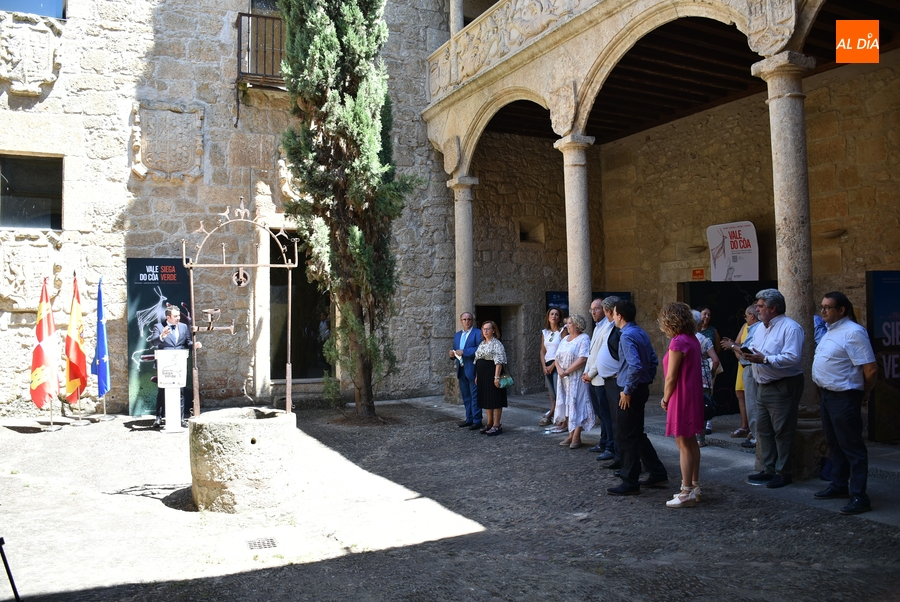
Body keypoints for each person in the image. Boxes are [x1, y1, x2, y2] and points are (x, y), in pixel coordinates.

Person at [812, 292, 877, 515]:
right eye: (822, 307)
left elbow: (870, 369)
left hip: (845, 396)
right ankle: (839, 484)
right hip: (828, 396)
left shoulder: (853, 333)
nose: (823, 311)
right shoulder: (832, 331)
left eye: (828, 308)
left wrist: (864, 392)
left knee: (852, 446)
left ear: (841, 310)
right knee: (834, 442)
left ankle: (860, 495)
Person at [741, 289, 804, 489]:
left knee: (782, 431)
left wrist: (765, 359)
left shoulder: (790, 328)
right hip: (763, 384)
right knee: (764, 429)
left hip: (782, 385)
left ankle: (783, 472)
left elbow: (793, 357)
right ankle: (768, 469)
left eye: (760, 306)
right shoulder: (760, 328)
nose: (757, 310)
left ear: (773, 308)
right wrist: (750, 355)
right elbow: (757, 349)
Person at [606, 299, 668, 496]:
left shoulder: (626, 336)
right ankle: (657, 471)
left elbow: (635, 366)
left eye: (614, 314)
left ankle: (630, 480)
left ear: (620, 316)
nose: (613, 317)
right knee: (637, 433)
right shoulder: (640, 332)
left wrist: (628, 389)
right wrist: (644, 380)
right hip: (639, 387)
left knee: (625, 435)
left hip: (630, 391)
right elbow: (652, 360)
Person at [658, 302, 704, 508]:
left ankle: (686, 491)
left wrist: (666, 398)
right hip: (692, 394)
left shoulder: (677, 342)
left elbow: (671, 377)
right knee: (691, 442)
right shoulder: (692, 339)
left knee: (683, 444)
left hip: (681, 396)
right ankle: (694, 486)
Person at [151, 305, 201, 428]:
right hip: (165, 365)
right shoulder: (159, 327)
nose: (178, 318)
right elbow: (154, 342)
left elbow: (187, 342)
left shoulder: (184, 327)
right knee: (162, 391)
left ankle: (181, 418)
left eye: (178, 315)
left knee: (181, 391)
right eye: (175, 316)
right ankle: (158, 417)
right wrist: (162, 336)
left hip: (179, 364)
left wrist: (194, 345)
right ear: (168, 317)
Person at [722, 305, 761, 447]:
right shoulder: (751, 327)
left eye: (745, 316)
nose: (745, 318)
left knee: (753, 403)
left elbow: (748, 349)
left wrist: (732, 346)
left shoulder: (758, 328)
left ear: (752, 316)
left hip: (752, 368)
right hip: (748, 367)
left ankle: (756, 437)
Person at [555, 314, 595, 448]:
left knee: (578, 405)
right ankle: (570, 434)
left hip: (576, 377)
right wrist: (560, 370)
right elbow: (557, 356)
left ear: (577, 325)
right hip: (563, 378)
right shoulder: (565, 338)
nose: (567, 325)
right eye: (567, 323)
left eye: (570, 323)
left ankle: (576, 436)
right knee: (567, 405)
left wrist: (567, 371)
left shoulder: (584, 338)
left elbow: (583, 358)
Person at [584, 299, 615, 458]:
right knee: (600, 414)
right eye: (592, 310)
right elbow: (592, 353)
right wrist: (586, 372)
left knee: (606, 414)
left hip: (601, 378)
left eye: (596, 309)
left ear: (604, 310)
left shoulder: (608, 327)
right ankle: (603, 441)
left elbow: (602, 355)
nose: (594, 312)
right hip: (592, 378)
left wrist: (590, 373)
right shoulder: (597, 328)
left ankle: (610, 445)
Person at [596, 296, 622, 464]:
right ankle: (618, 455)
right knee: (613, 419)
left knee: (619, 422)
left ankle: (622, 457)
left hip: (617, 381)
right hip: (608, 379)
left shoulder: (623, 330)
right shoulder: (611, 327)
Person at [474, 320, 508, 436]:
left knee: (495, 399)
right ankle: (489, 423)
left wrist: (496, 377)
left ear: (493, 330)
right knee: (487, 399)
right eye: (484, 329)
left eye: (488, 329)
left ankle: (497, 424)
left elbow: (499, 361)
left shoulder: (497, 344)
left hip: (493, 373)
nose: (486, 331)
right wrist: (477, 376)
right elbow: (477, 360)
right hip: (483, 375)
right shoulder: (482, 344)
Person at [450, 312, 483, 430]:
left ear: (472, 321)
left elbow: (480, 348)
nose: (467, 321)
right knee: (466, 396)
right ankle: (469, 418)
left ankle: (477, 420)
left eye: (469, 319)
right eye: (464, 319)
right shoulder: (457, 335)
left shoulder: (478, 333)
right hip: (461, 369)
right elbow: (455, 350)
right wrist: (452, 355)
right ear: (461, 321)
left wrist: (465, 351)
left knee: (475, 395)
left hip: (473, 369)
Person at [692, 310, 720, 448]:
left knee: (691, 407)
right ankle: (700, 438)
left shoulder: (682, 338)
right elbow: (715, 360)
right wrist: (712, 372)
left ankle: (690, 435)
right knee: (703, 407)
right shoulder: (705, 340)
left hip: (690, 378)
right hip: (703, 377)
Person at [539, 308, 566, 426]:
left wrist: (552, 366)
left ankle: (561, 416)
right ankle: (553, 410)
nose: (554, 316)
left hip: (558, 363)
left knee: (558, 390)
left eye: (556, 314)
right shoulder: (545, 332)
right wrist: (544, 365)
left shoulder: (562, 331)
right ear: (548, 317)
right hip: (547, 363)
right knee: (551, 390)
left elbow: (563, 349)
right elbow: (542, 350)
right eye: (551, 314)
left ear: (559, 318)